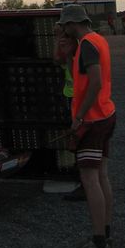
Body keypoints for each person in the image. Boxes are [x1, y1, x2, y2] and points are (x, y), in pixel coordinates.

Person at [59, 4, 116, 248]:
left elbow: (94, 82)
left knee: (90, 179)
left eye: (64, 26)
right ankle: (105, 235)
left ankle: (99, 246)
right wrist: (71, 56)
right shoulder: (97, 40)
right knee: (101, 176)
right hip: (105, 114)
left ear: (72, 24)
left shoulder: (87, 46)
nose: (63, 31)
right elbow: (83, 78)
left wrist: (79, 117)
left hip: (92, 121)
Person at [53, 22, 85, 201]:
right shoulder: (70, 50)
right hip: (71, 96)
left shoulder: (78, 52)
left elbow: (73, 72)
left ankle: (85, 183)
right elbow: (56, 59)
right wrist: (58, 40)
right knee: (76, 138)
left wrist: (67, 51)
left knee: (80, 138)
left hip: (77, 99)